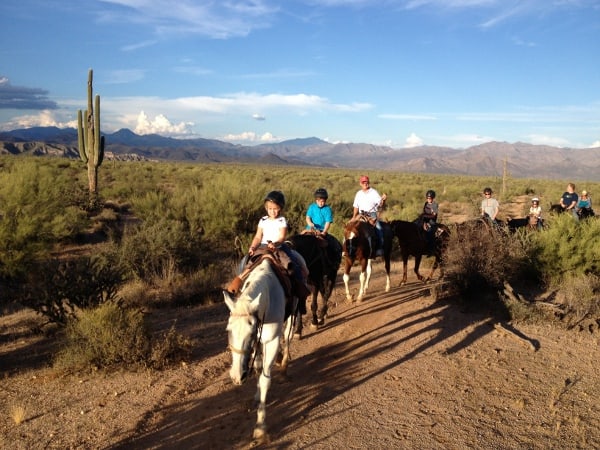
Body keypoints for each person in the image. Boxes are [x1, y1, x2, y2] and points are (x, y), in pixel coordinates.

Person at [247, 190, 310, 311]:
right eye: (270, 208)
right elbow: (258, 236)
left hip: (279, 247)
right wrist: (253, 247)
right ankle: (242, 289)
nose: (272, 211)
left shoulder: (282, 220)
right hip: (263, 247)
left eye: (275, 208)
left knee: (293, 265)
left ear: (280, 208)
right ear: (266, 208)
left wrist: (275, 244)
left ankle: (300, 294)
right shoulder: (263, 220)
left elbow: (282, 237)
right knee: (247, 263)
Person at [352, 175, 387, 256]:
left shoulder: (373, 192)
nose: (365, 183)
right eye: (363, 182)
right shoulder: (358, 193)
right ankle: (349, 249)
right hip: (361, 215)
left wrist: (384, 200)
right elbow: (356, 206)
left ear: (369, 183)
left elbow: (380, 204)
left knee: (379, 229)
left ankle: (379, 248)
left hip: (372, 214)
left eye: (366, 182)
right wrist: (354, 217)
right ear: (360, 183)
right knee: (350, 228)